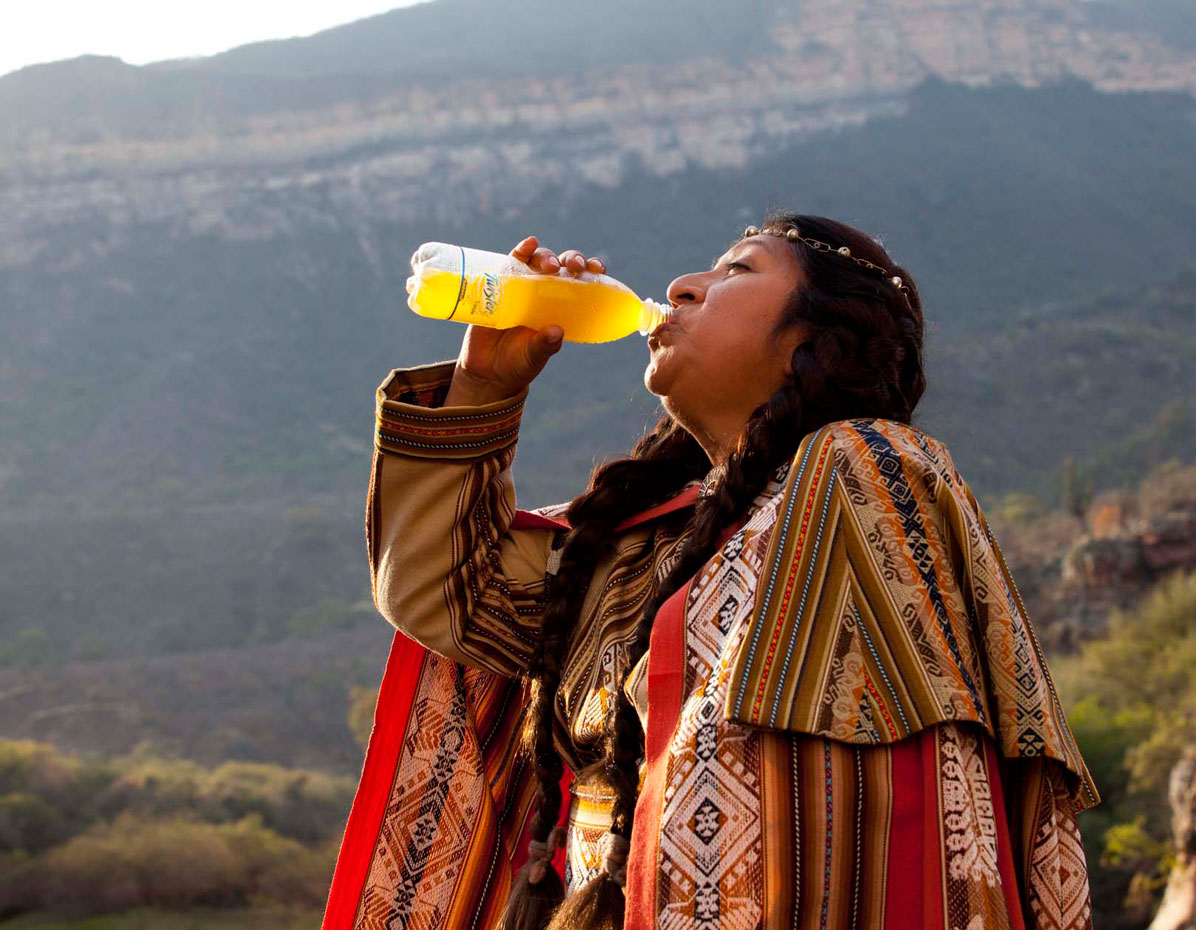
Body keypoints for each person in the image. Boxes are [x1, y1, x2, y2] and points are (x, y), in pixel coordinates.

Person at [322, 213, 1099, 930]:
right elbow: (441, 596)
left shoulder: (863, 469)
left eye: (737, 270)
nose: (680, 287)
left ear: (814, 342)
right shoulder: (639, 542)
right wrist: (484, 385)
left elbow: (860, 803)